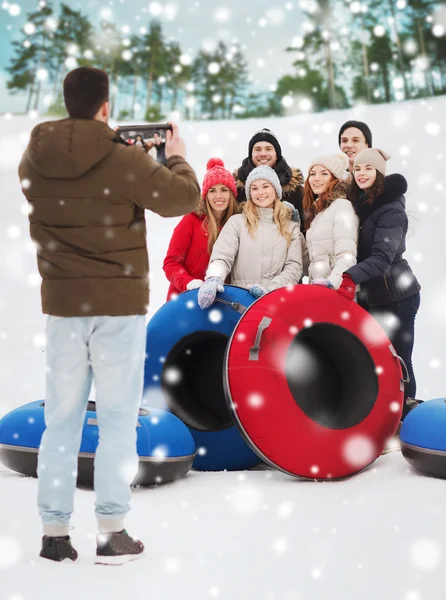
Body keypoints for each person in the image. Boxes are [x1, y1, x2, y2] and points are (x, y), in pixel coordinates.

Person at [18, 66, 200, 564]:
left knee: (60, 422)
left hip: (62, 309)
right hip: (118, 310)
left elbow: (65, 183)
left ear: (66, 100)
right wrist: (174, 158)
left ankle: (54, 534)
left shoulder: (35, 157)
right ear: (105, 105)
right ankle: (110, 533)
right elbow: (185, 198)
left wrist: (112, 151)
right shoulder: (125, 162)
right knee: (118, 420)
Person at [337, 148, 421, 417]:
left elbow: (382, 258)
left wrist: (350, 276)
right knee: (380, 359)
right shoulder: (364, 203)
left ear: (379, 174)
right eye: (358, 169)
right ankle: (387, 414)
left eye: (368, 169)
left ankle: (406, 418)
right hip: (377, 294)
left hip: (397, 294)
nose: (361, 174)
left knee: (400, 359)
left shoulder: (391, 210)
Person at [198, 166, 305, 309]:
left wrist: (269, 290)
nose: (260, 192)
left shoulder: (291, 227)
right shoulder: (237, 222)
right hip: (240, 303)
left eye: (265, 186)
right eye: (254, 188)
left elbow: (294, 267)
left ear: (276, 190)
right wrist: (214, 277)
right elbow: (222, 255)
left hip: (277, 302)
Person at [163, 158, 239, 300]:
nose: (218, 196)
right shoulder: (191, 221)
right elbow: (171, 262)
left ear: (231, 194)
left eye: (224, 190)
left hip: (221, 301)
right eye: (212, 191)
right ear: (206, 195)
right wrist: (189, 283)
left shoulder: (237, 224)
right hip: (186, 297)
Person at [303, 153, 358, 289]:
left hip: (335, 291)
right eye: (312, 174)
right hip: (318, 290)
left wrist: (332, 284)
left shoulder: (342, 206)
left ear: (334, 178)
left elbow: (347, 255)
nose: (316, 178)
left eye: (324, 173)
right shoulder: (318, 212)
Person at [233, 128, 305, 231]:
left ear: (276, 155)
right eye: (257, 149)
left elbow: (304, 228)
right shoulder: (237, 189)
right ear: (251, 155)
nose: (263, 153)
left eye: (268, 149)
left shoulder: (296, 190)